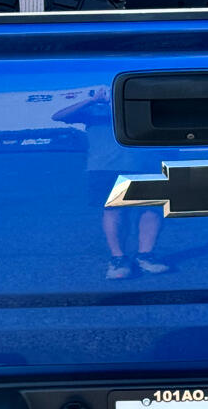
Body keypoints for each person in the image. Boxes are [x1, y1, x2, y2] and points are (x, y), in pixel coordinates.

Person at [54, 88, 172, 280]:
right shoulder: (95, 110)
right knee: (114, 210)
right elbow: (58, 116)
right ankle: (118, 259)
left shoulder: (143, 108)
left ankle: (146, 256)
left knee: (152, 210)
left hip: (146, 165)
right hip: (106, 168)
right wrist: (91, 101)